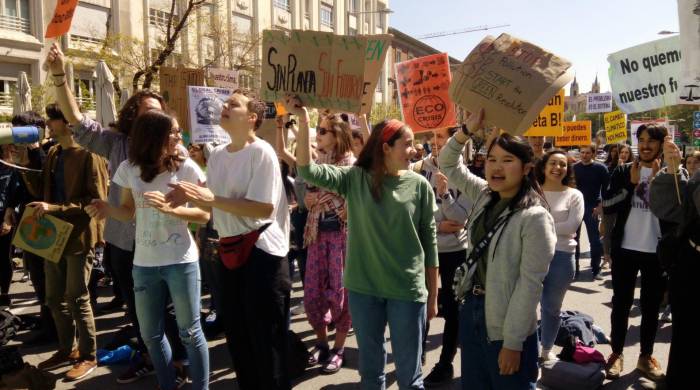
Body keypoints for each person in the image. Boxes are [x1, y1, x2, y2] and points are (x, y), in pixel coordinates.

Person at [45, 42, 190, 383]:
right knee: (137, 309)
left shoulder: (174, 149)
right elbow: (77, 120)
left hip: (162, 243)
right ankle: (151, 356)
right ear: (132, 116)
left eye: (158, 112)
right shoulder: (115, 143)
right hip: (123, 242)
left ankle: (179, 363)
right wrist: (58, 75)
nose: (153, 117)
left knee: (166, 309)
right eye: (146, 111)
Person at [288, 94, 438, 389]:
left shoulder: (419, 185)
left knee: (410, 377)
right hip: (363, 289)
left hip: (406, 290)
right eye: (406, 144)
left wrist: (432, 295)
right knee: (371, 375)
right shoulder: (354, 178)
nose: (413, 150)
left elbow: (429, 242)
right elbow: (306, 171)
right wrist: (304, 121)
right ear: (385, 148)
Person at [167, 89, 291, 390]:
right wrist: (181, 199)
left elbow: (262, 208)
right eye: (225, 103)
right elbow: (212, 202)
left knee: (265, 340)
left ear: (251, 118)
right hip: (229, 252)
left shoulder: (262, 152)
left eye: (232, 104)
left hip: (262, 254)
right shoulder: (220, 155)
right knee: (237, 336)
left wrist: (212, 198)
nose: (224, 107)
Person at [86, 110, 210, 390]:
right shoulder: (129, 169)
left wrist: (172, 209)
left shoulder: (186, 167)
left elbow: (205, 215)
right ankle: (168, 384)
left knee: (190, 332)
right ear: (154, 138)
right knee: (151, 334)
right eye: (174, 132)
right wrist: (108, 209)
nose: (180, 136)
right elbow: (128, 212)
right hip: (143, 264)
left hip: (181, 261)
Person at [441, 110, 555, 390]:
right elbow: (448, 163)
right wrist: (466, 129)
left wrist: (513, 343)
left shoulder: (535, 217)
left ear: (527, 167)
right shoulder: (484, 194)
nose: (496, 167)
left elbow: (530, 285)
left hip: (507, 322)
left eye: (507, 160)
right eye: (492, 159)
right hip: (473, 310)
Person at [19, 104, 108, 381]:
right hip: (52, 236)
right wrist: (24, 166)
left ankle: (88, 355)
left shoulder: (90, 154)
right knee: (54, 299)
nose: (48, 124)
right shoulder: (55, 153)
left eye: (53, 120)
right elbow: (43, 192)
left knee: (77, 297)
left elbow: (97, 201)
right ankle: (65, 348)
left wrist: (55, 209)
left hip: (79, 237)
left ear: (68, 124)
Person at [602, 124, 667, 382]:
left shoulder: (673, 173)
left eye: (651, 141)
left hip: (657, 252)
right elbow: (607, 205)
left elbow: (678, 211)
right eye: (641, 140)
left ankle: (645, 356)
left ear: (662, 144)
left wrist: (661, 182)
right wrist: (630, 186)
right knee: (621, 304)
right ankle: (616, 353)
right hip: (625, 250)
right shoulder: (622, 171)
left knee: (650, 308)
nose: (646, 145)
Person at [295, 113, 355, 373]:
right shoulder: (316, 162)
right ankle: (321, 343)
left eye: (322, 131)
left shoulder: (352, 167)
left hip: (342, 237)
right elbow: (308, 189)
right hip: (317, 235)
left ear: (338, 136)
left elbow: (358, 196)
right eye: (318, 130)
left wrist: (351, 205)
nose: (317, 135)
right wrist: (308, 199)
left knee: (341, 298)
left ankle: (339, 347)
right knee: (312, 295)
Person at [414, 126, 471, 387]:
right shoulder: (416, 169)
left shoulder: (463, 174)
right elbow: (413, 213)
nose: (438, 143)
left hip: (455, 252)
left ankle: (445, 361)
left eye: (443, 138)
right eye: (433, 137)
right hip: (424, 248)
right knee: (421, 305)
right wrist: (437, 225)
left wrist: (445, 195)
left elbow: (460, 218)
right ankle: (416, 354)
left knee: (452, 309)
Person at [649, 136, 700, 390]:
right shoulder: (697, 177)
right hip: (691, 265)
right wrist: (672, 170)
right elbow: (674, 209)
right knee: (685, 333)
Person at [535, 150, 584, 362]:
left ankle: (546, 350)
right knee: (523, 306)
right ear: (544, 167)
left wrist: (538, 226)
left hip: (562, 257)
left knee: (551, 308)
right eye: (553, 163)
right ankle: (523, 348)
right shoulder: (531, 192)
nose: (557, 168)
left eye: (562, 164)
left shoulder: (575, 195)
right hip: (532, 255)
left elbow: (572, 226)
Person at [573, 144, 608, 279]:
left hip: (592, 207)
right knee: (573, 239)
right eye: (582, 152)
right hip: (575, 207)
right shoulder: (574, 168)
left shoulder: (600, 168)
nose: (584, 155)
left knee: (595, 240)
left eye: (587, 153)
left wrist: (600, 206)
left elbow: (606, 190)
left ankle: (596, 269)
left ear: (593, 154)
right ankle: (574, 269)